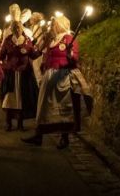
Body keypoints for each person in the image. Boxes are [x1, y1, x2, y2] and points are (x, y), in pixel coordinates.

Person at [21, 14, 93, 149]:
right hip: (49, 76)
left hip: (63, 76)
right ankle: (39, 135)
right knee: (43, 107)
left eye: (54, 24)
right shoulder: (51, 39)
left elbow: (74, 59)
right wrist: (29, 48)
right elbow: (38, 54)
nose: (52, 26)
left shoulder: (69, 38)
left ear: (60, 25)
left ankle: (64, 137)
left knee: (64, 108)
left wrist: (70, 53)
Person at [0, 21, 39, 131]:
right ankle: (8, 123)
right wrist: (4, 65)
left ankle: (20, 123)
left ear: (22, 28)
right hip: (10, 73)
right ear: (12, 29)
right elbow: (1, 55)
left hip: (24, 73)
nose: (17, 29)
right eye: (15, 27)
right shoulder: (7, 40)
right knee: (9, 97)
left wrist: (40, 48)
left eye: (19, 27)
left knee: (22, 97)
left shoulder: (27, 40)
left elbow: (33, 55)